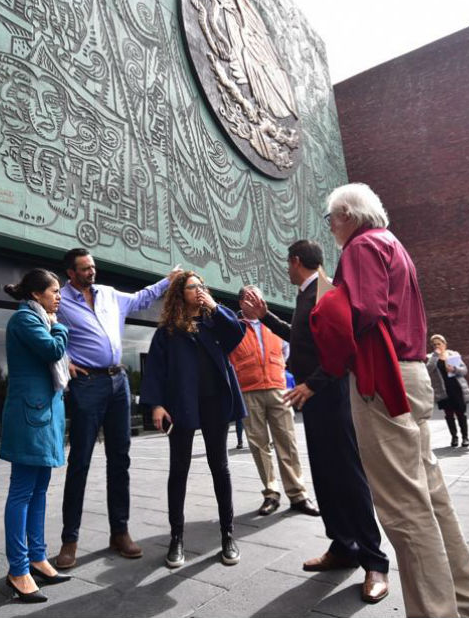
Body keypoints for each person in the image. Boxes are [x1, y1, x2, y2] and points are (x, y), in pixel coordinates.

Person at [310, 183, 469, 618]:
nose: (331, 226)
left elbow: (364, 313)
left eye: (331, 218)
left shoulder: (360, 246)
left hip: (380, 377)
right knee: (432, 497)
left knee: (403, 509)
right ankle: (468, 603)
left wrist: (326, 309)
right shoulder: (393, 244)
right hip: (408, 374)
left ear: (348, 214)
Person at [243, 240, 392, 604]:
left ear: (296, 261)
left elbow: (343, 352)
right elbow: (304, 341)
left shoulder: (326, 292)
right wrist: (264, 317)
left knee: (348, 475)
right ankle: (343, 546)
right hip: (313, 398)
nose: (287, 268)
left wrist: (312, 383)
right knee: (325, 475)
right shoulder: (306, 295)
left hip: (329, 395)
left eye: (287, 262)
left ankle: (375, 561)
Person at [53, 248, 181, 567]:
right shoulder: (61, 300)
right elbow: (44, 325)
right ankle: (70, 540)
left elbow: (140, 298)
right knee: (80, 461)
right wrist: (63, 359)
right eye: (84, 269)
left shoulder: (110, 294)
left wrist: (168, 281)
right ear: (71, 273)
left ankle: (119, 532)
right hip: (87, 386)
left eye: (92, 266)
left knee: (120, 459)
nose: (91, 272)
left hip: (118, 384)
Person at [140, 272, 246, 568]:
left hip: (215, 403)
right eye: (192, 286)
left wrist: (214, 306)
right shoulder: (168, 331)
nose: (199, 289)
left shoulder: (215, 322)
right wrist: (157, 404)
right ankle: (176, 538)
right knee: (179, 470)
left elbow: (237, 334)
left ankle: (227, 534)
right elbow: (156, 370)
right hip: (181, 404)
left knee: (220, 467)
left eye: (202, 285)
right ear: (180, 293)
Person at [0, 269, 73, 603]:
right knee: (22, 491)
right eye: (54, 291)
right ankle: (18, 569)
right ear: (36, 295)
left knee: (40, 489)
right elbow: (52, 350)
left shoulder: (37, 318)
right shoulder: (25, 321)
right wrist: (59, 325)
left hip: (45, 413)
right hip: (31, 415)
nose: (58, 296)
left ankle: (37, 558)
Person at [230, 285, 319, 517]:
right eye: (250, 298)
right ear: (241, 303)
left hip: (278, 389)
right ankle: (271, 493)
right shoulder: (234, 328)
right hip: (249, 391)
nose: (255, 301)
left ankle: (298, 494)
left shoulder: (274, 325)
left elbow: (287, 352)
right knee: (259, 444)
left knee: (287, 441)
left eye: (258, 297)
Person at [426, 334, 469, 447]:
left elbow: (464, 370)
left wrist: (454, 369)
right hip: (443, 390)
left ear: (444, 344)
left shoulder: (454, 355)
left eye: (439, 343)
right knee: (449, 414)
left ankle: (465, 437)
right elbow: (428, 369)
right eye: (434, 344)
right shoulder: (431, 357)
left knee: (461, 414)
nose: (437, 346)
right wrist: (435, 355)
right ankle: (454, 437)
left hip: (457, 388)